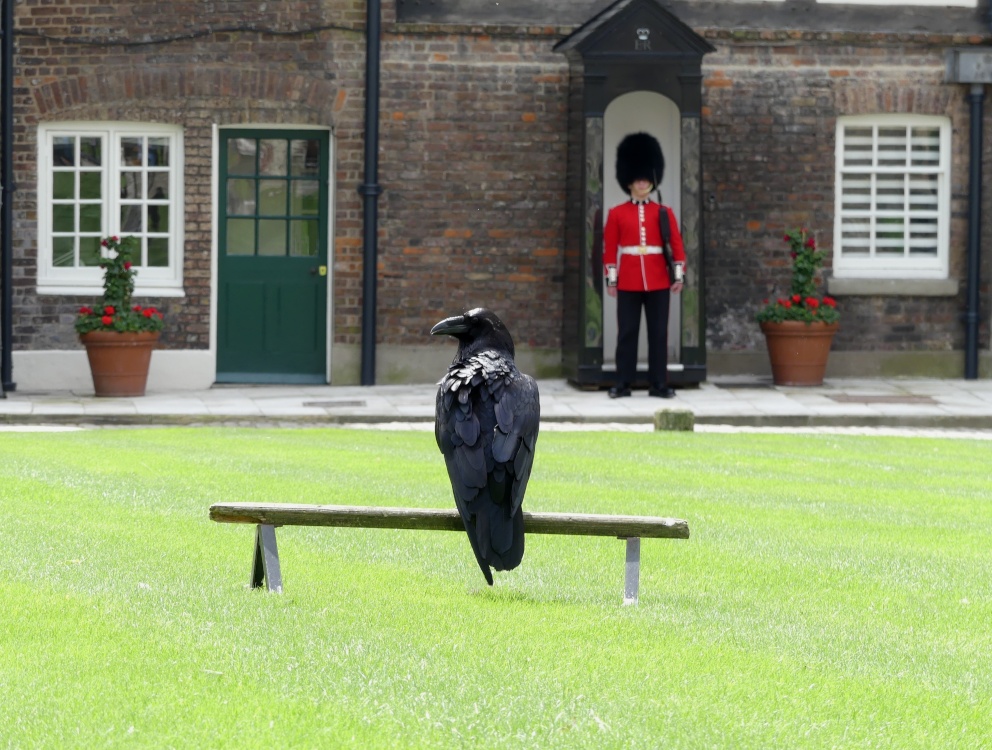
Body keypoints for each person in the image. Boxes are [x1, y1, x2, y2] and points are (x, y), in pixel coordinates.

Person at [603, 132, 686, 398]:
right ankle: (623, 382)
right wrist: (612, 279)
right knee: (627, 333)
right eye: (638, 178)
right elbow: (610, 249)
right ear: (629, 181)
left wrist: (678, 275)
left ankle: (659, 383)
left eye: (646, 178)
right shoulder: (617, 213)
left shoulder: (664, 212)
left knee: (658, 333)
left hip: (658, 279)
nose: (642, 183)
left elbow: (677, 245)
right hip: (628, 279)